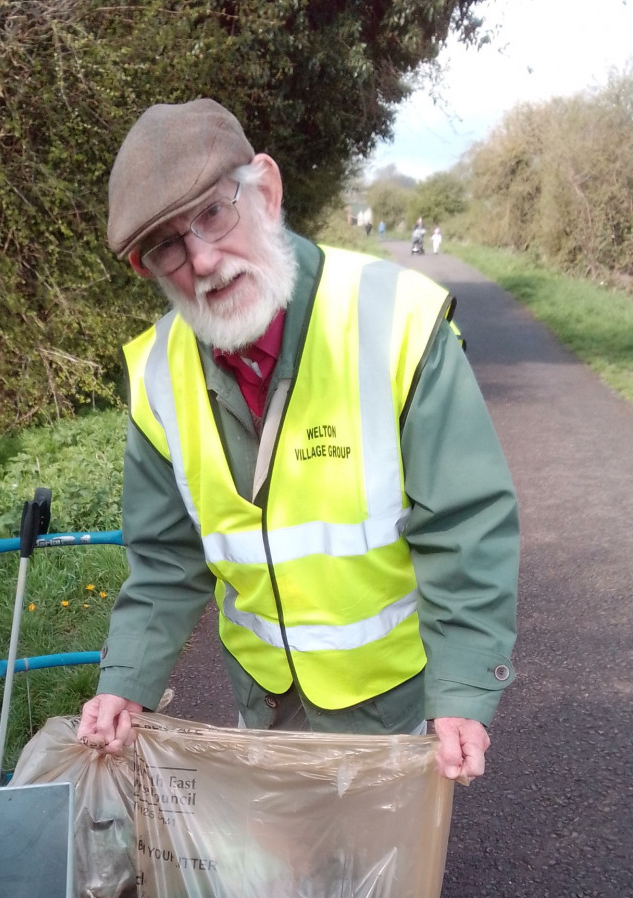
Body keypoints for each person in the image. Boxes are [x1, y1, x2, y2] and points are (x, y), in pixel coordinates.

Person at [77, 98, 519, 783]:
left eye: (214, 214)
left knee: (381, 885)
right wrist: (126, 678)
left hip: (389, 706)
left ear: (268, 192)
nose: (203, 260)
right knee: (289, 876)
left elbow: (464, 523)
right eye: (167, 244)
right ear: (147, 270)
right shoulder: (157, 374)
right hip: (267, 701)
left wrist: (461, 688)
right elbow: (165, 558)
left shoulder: (396, 318)